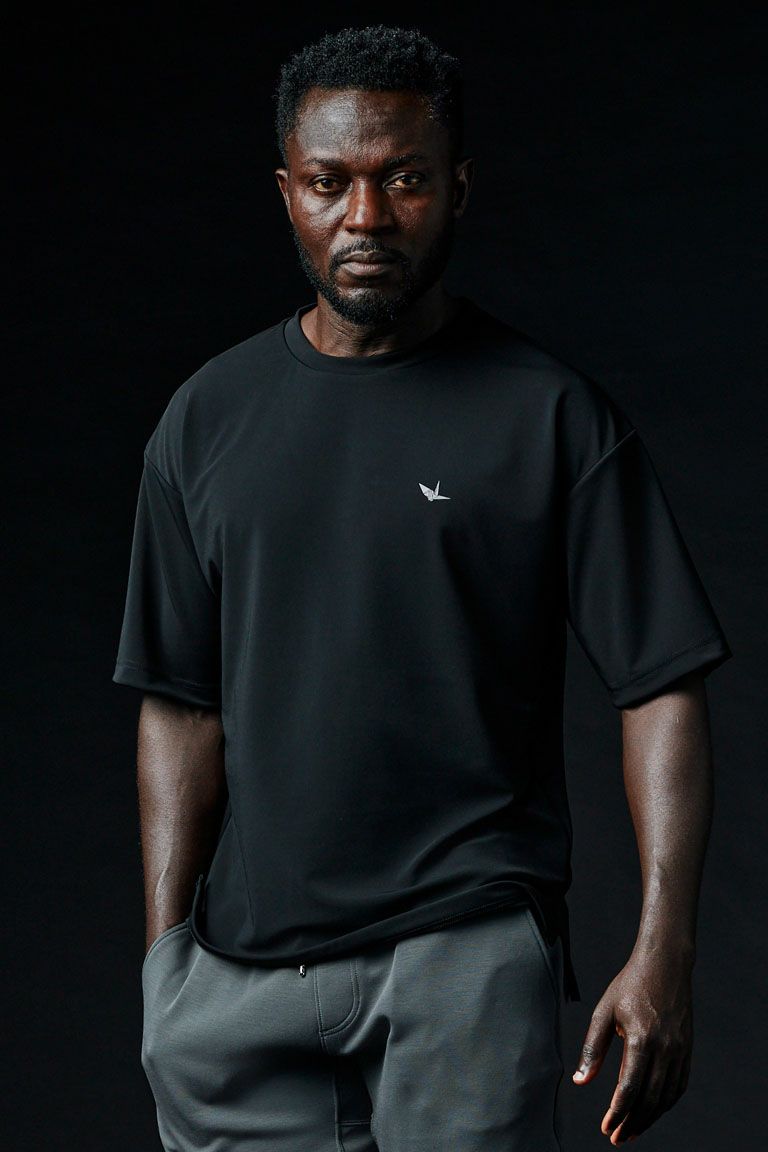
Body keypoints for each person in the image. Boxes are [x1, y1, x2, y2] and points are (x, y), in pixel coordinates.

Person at [113, 24, 732, 1152]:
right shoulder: (205, 420)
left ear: (457, 188)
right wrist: (166, 960)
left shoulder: (549, 416)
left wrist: (665, 950)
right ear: (288, 193)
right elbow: (179, 701)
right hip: (238, 984)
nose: (366, 217)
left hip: (462, 951)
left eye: (402, 179)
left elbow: (662, 686)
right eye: (329, 183)